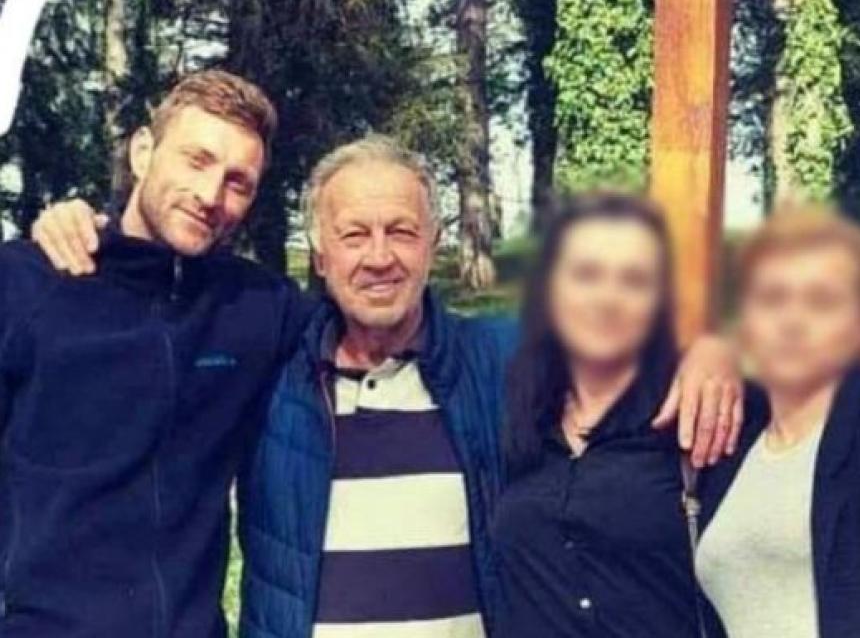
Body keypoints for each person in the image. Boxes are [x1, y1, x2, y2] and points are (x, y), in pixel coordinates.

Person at [34, 136, 744, 638]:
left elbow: (619, 320)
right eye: (354, 235)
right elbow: (158, 317)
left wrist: (709, 343)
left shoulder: (495, 355)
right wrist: (89, 231)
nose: (379, 257)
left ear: (432, 243)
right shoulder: (268, 362)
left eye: (401, 231)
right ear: (320, 254)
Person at [0, 70, 309, 637]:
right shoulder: (26, 284)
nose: (211, 196)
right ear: (143, 152)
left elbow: (372, 329)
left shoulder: (259, 308)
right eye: (196, 160)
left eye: (238, 183)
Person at [492, 193, 705, 638]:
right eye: (587, 275)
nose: (608, 298)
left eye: (633, 279)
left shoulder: (693, 413)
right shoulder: (516, 413)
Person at [697, 210, 860, 638]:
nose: (792, 321)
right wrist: (705, 350)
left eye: (821, 301)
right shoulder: (730, 449)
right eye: (772, 299)